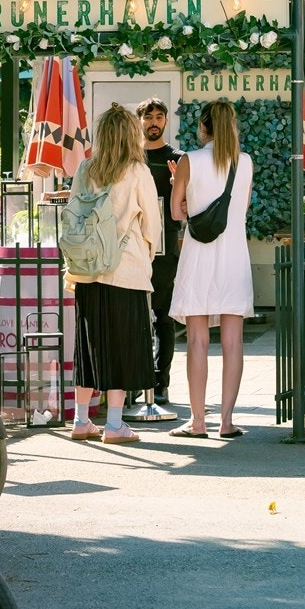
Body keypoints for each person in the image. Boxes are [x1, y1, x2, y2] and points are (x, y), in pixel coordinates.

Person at [64, 104, 162, 445]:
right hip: (125, 271)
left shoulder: (86, 169)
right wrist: (146, 258)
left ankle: (80, 420)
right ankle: (115, 424)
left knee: (89, 347)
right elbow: (152, 223)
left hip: (88, 271)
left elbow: (74, 215)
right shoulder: (137, 171)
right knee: (121, 347)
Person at [169, 99, 254, 439]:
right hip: (234, 256)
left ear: (203, 126)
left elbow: (177, 212)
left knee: (197, 342)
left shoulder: (190, 160)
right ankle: (227, 421)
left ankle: (198, 421)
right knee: (233, 342)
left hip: (199, 256)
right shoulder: (245, 162)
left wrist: (189, 198)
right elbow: (240, 209)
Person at [138, 97, 183, 405]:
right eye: (148, 117)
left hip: (166, 247)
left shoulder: (178, 158)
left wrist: (177, 183)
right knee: (133, 316)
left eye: (159, 116)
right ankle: (131, 381)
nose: (154, 122)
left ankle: (160, 381)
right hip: (133, 246)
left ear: (166, 121)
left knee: (162, 317)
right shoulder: (131, 158)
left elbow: (187, 203)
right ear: (140, 121)